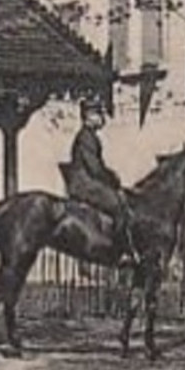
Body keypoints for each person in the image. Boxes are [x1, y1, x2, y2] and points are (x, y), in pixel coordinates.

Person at [64, 96, 137, 260]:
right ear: (88, 116)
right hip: (84, 184)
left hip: (88, 181)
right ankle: (120, 251)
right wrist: (111, 178)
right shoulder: (86, 137)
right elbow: (94, 168)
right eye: (98, 114)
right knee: (117, 204)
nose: (101, 118)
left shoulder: (90, 136)